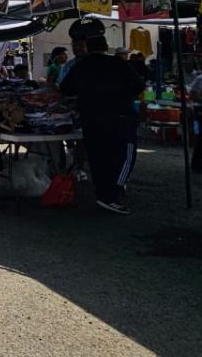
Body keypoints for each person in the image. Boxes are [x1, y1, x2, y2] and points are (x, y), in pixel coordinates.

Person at [59, 23, 144, 214]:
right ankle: (112, 194)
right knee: (124, 157)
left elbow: (65, 90)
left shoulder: (80, 67)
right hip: (120, 118)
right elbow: (138, 86)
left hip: (91, 119)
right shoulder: (118, 63)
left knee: (98, 158)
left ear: (85, 45)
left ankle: (103, 195)